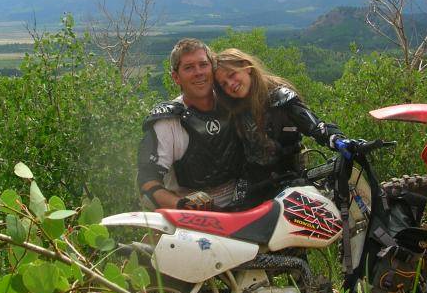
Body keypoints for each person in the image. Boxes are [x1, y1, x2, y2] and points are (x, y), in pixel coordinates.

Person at [214, 48, 346, 202]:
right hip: (252, 188)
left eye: (232, 75)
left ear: (246, 67)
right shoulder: (232, 112)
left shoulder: (281, 97)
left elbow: (314, 126)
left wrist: (338, 139)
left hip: (290, 183)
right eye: (223, 84)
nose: (230, 84)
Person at [137, 38, 244, 210]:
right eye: (189, 67)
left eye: (203, 65)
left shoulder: (235, 105)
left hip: (246, 210)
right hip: (192, 222)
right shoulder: (167, 122)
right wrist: (182, 204)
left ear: (213, 68)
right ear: (176, 77)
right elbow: (146, 182)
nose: (198, 72)